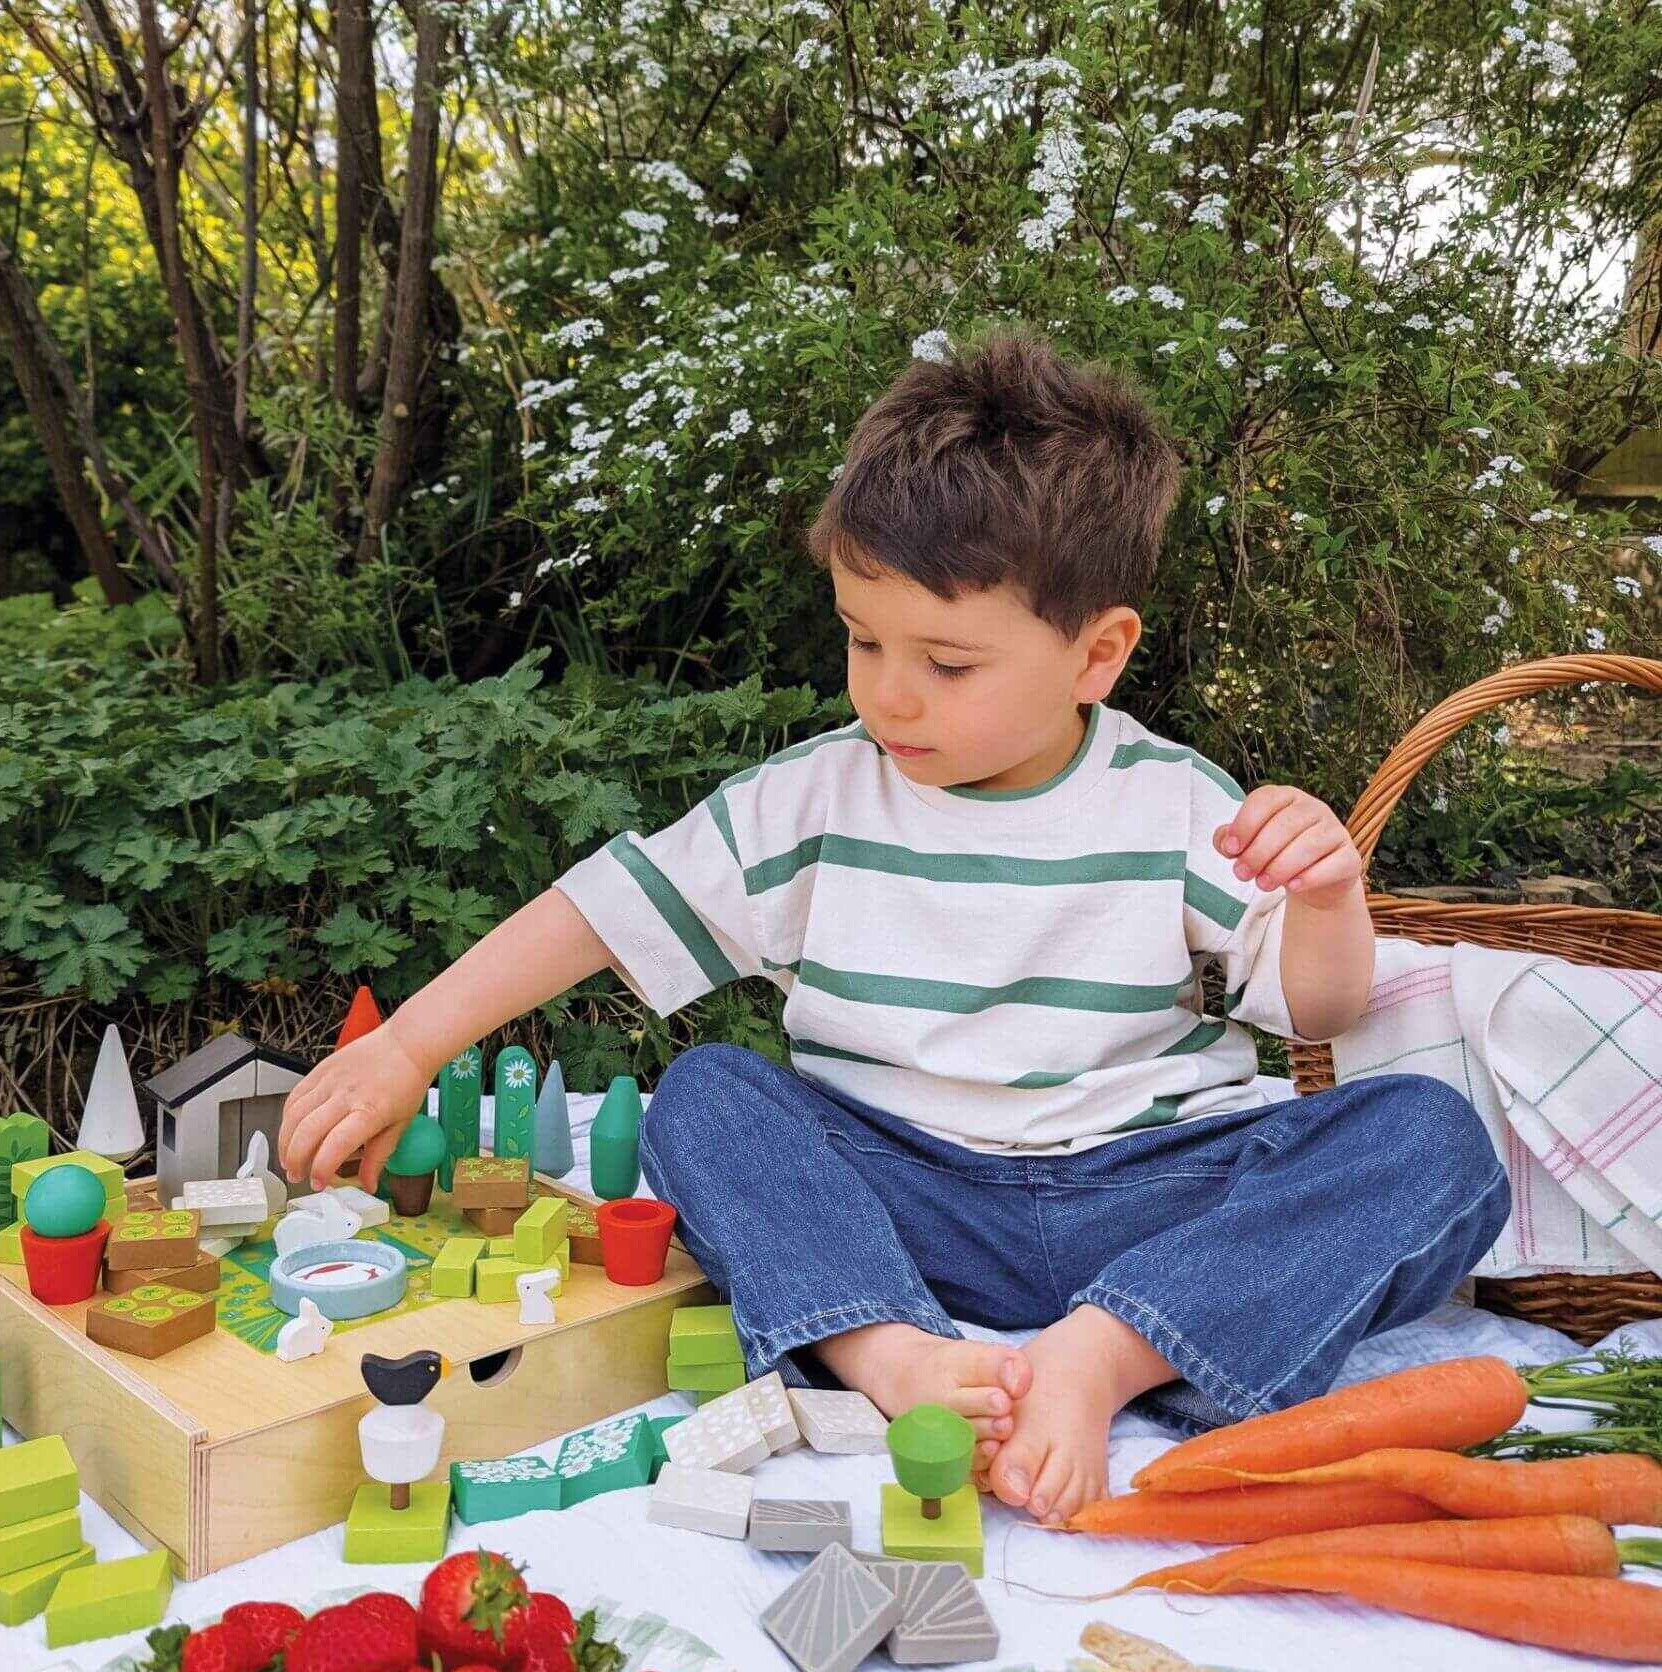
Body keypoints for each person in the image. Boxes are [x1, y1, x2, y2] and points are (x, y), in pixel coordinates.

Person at [280, 329, 1510, 1526]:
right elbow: (601, 911)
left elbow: (1324, 1012)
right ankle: (895, 1355)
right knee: (704, 1099)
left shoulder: (1173, 800)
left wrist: (1330, 897)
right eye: (864, 639)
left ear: (1098, 654)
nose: (888, 693)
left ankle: (1105, 1354)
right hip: (907, 1193)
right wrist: (408, 1046)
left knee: (1431, 1138)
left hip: (1153, 1186)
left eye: (948, 663)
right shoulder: (815, 796)